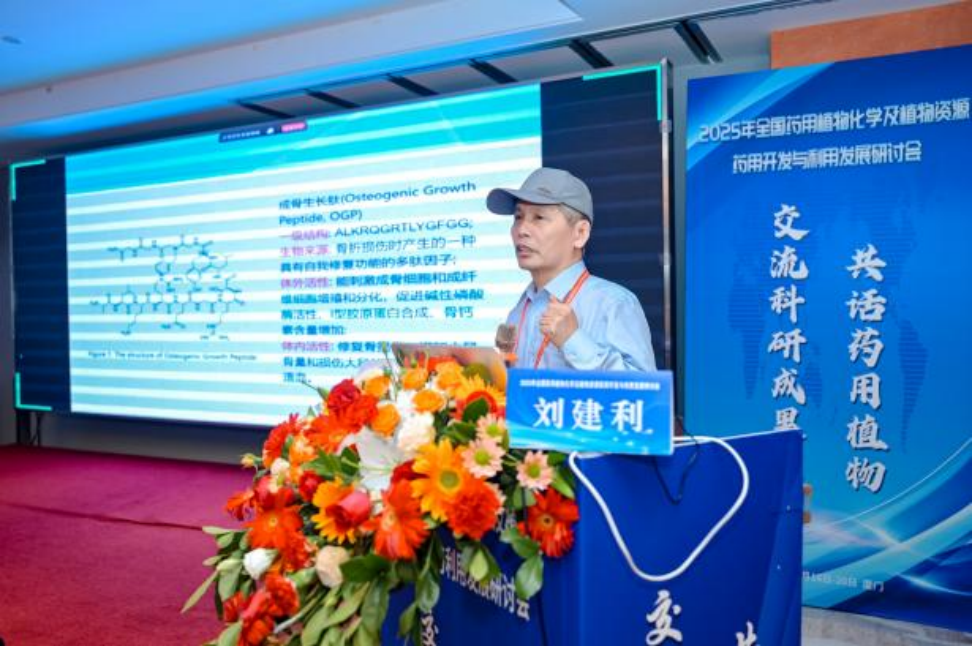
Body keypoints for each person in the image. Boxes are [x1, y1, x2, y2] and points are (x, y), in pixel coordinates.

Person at [487, 167, 656, 372]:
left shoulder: (613, 304)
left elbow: (644, 389)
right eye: (518, 217)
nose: (521, 230)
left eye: (538, 217)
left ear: (580, 233)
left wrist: (573, 340)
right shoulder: (518, 311)